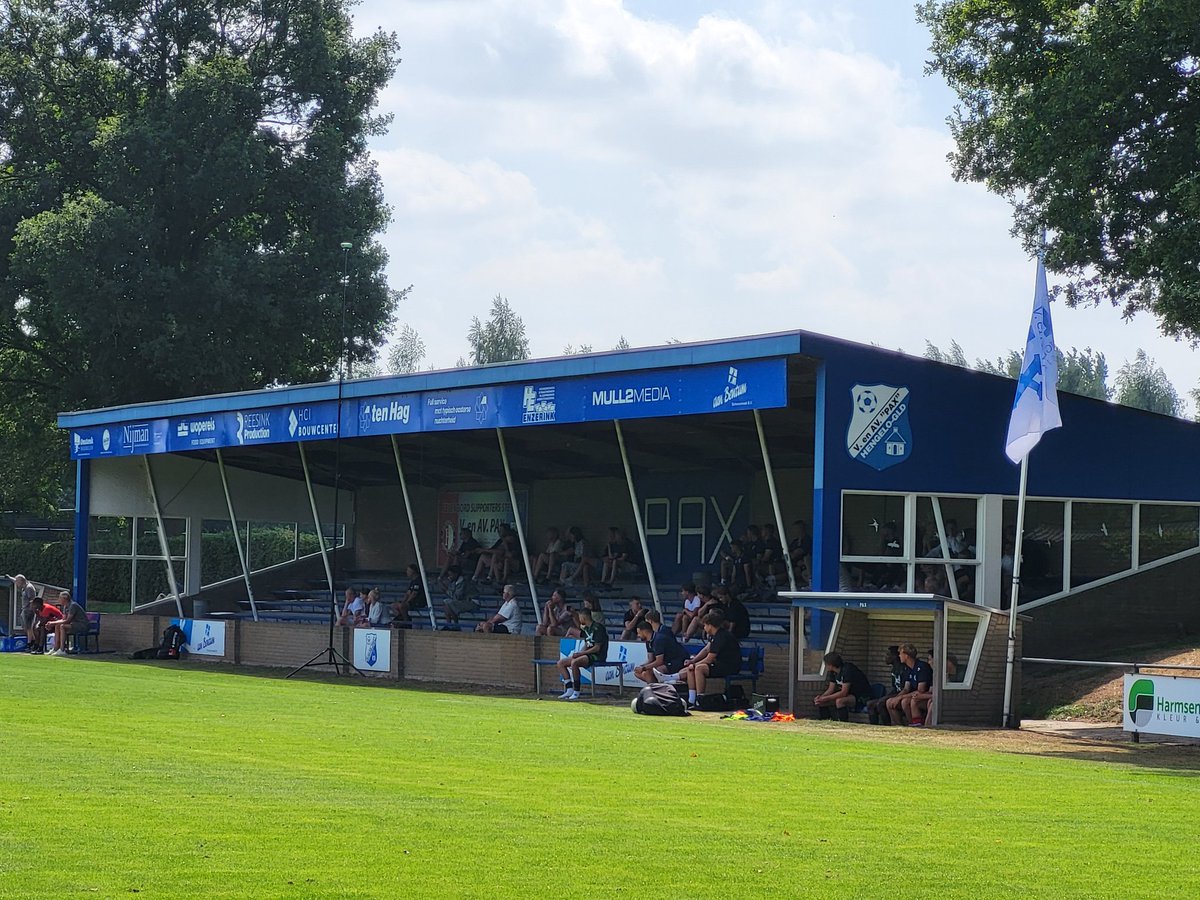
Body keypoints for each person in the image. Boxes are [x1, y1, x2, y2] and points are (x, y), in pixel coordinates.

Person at [677, 610, 741, 708]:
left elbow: (709, 658)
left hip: (729, 666)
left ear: (710, 625)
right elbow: (706, 650)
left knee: (699, 668)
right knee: (691, 668)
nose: (704, 627)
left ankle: (700, 699)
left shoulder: (721, 636)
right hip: (720, 664)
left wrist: (695, 665)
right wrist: (693, 662)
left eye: (705, 625)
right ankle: (691, 699)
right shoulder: (714, 636)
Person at [556, 608, 609, 701]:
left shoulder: (598, 628)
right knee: (561, 663)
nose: (579, 619)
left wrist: (582, 653)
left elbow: (597, 647)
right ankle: (569, 689)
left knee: (575, 663)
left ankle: (576, 691)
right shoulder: (586, 629)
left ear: (583, 617)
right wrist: (579, 653)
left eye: (579, 617)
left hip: (597, 655)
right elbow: (587, 644)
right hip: (587, 654)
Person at [814, 652, 873, 722]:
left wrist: (825, 698)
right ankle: (826, 721)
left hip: (861, 696)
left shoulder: (847, 670)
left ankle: (843, 723)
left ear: (831, 664)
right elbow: (830, 689)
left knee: (840, 701)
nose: (825, 666)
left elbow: (844, 692)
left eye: (826, 664)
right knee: (821, 702)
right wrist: (821, 698)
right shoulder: (833, 672)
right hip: (849, 695)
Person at [632, 612, 687, 685]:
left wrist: (644, 668)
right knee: (640, 673)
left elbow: (659, 661)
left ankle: (658, 688)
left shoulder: (659, 639)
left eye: (639, 633)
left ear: (644, 631)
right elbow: (651, 659)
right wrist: (641, 667)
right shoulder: (648, 641)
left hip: (676, 660)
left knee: (655, 670)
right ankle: (657, 688)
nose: (638, 635)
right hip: (666, 661)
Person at [887, 643, 933, 726]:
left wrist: (901, 697)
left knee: (905, 702)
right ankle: (898, 726)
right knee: (889, 702)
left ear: (906, 655)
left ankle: (912, 724)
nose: (899, 656)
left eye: (900, 654)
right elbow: (906, 689)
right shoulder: (907, 668)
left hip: (922, 696)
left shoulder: (921, 667)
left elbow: (920, 690)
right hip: (912, 694)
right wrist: (896, 698)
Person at [866, 646, 906, 725]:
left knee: (881, 703)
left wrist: (888, 698)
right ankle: (874, 727)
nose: (885, 657)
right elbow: (895, 688)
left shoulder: (903, 669)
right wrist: (887, 696)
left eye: (888, 655)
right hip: (895, 694)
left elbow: (905, 689)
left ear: (894, 656)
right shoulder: (894, 669)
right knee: (870, 704)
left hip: (903, 695)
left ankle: (887, 725)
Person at [45, 590, 90, 656]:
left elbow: (67, 620)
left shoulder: (73, 606)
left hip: (82, 625)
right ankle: (56, 648)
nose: (59, 600)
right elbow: (63, 619)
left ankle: (62, 649)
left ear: (65, 598)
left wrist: (52, 623)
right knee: (58, 625)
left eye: (60, 598)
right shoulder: (65, 606)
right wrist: (53, 623)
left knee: (62, 626)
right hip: (74, 624)